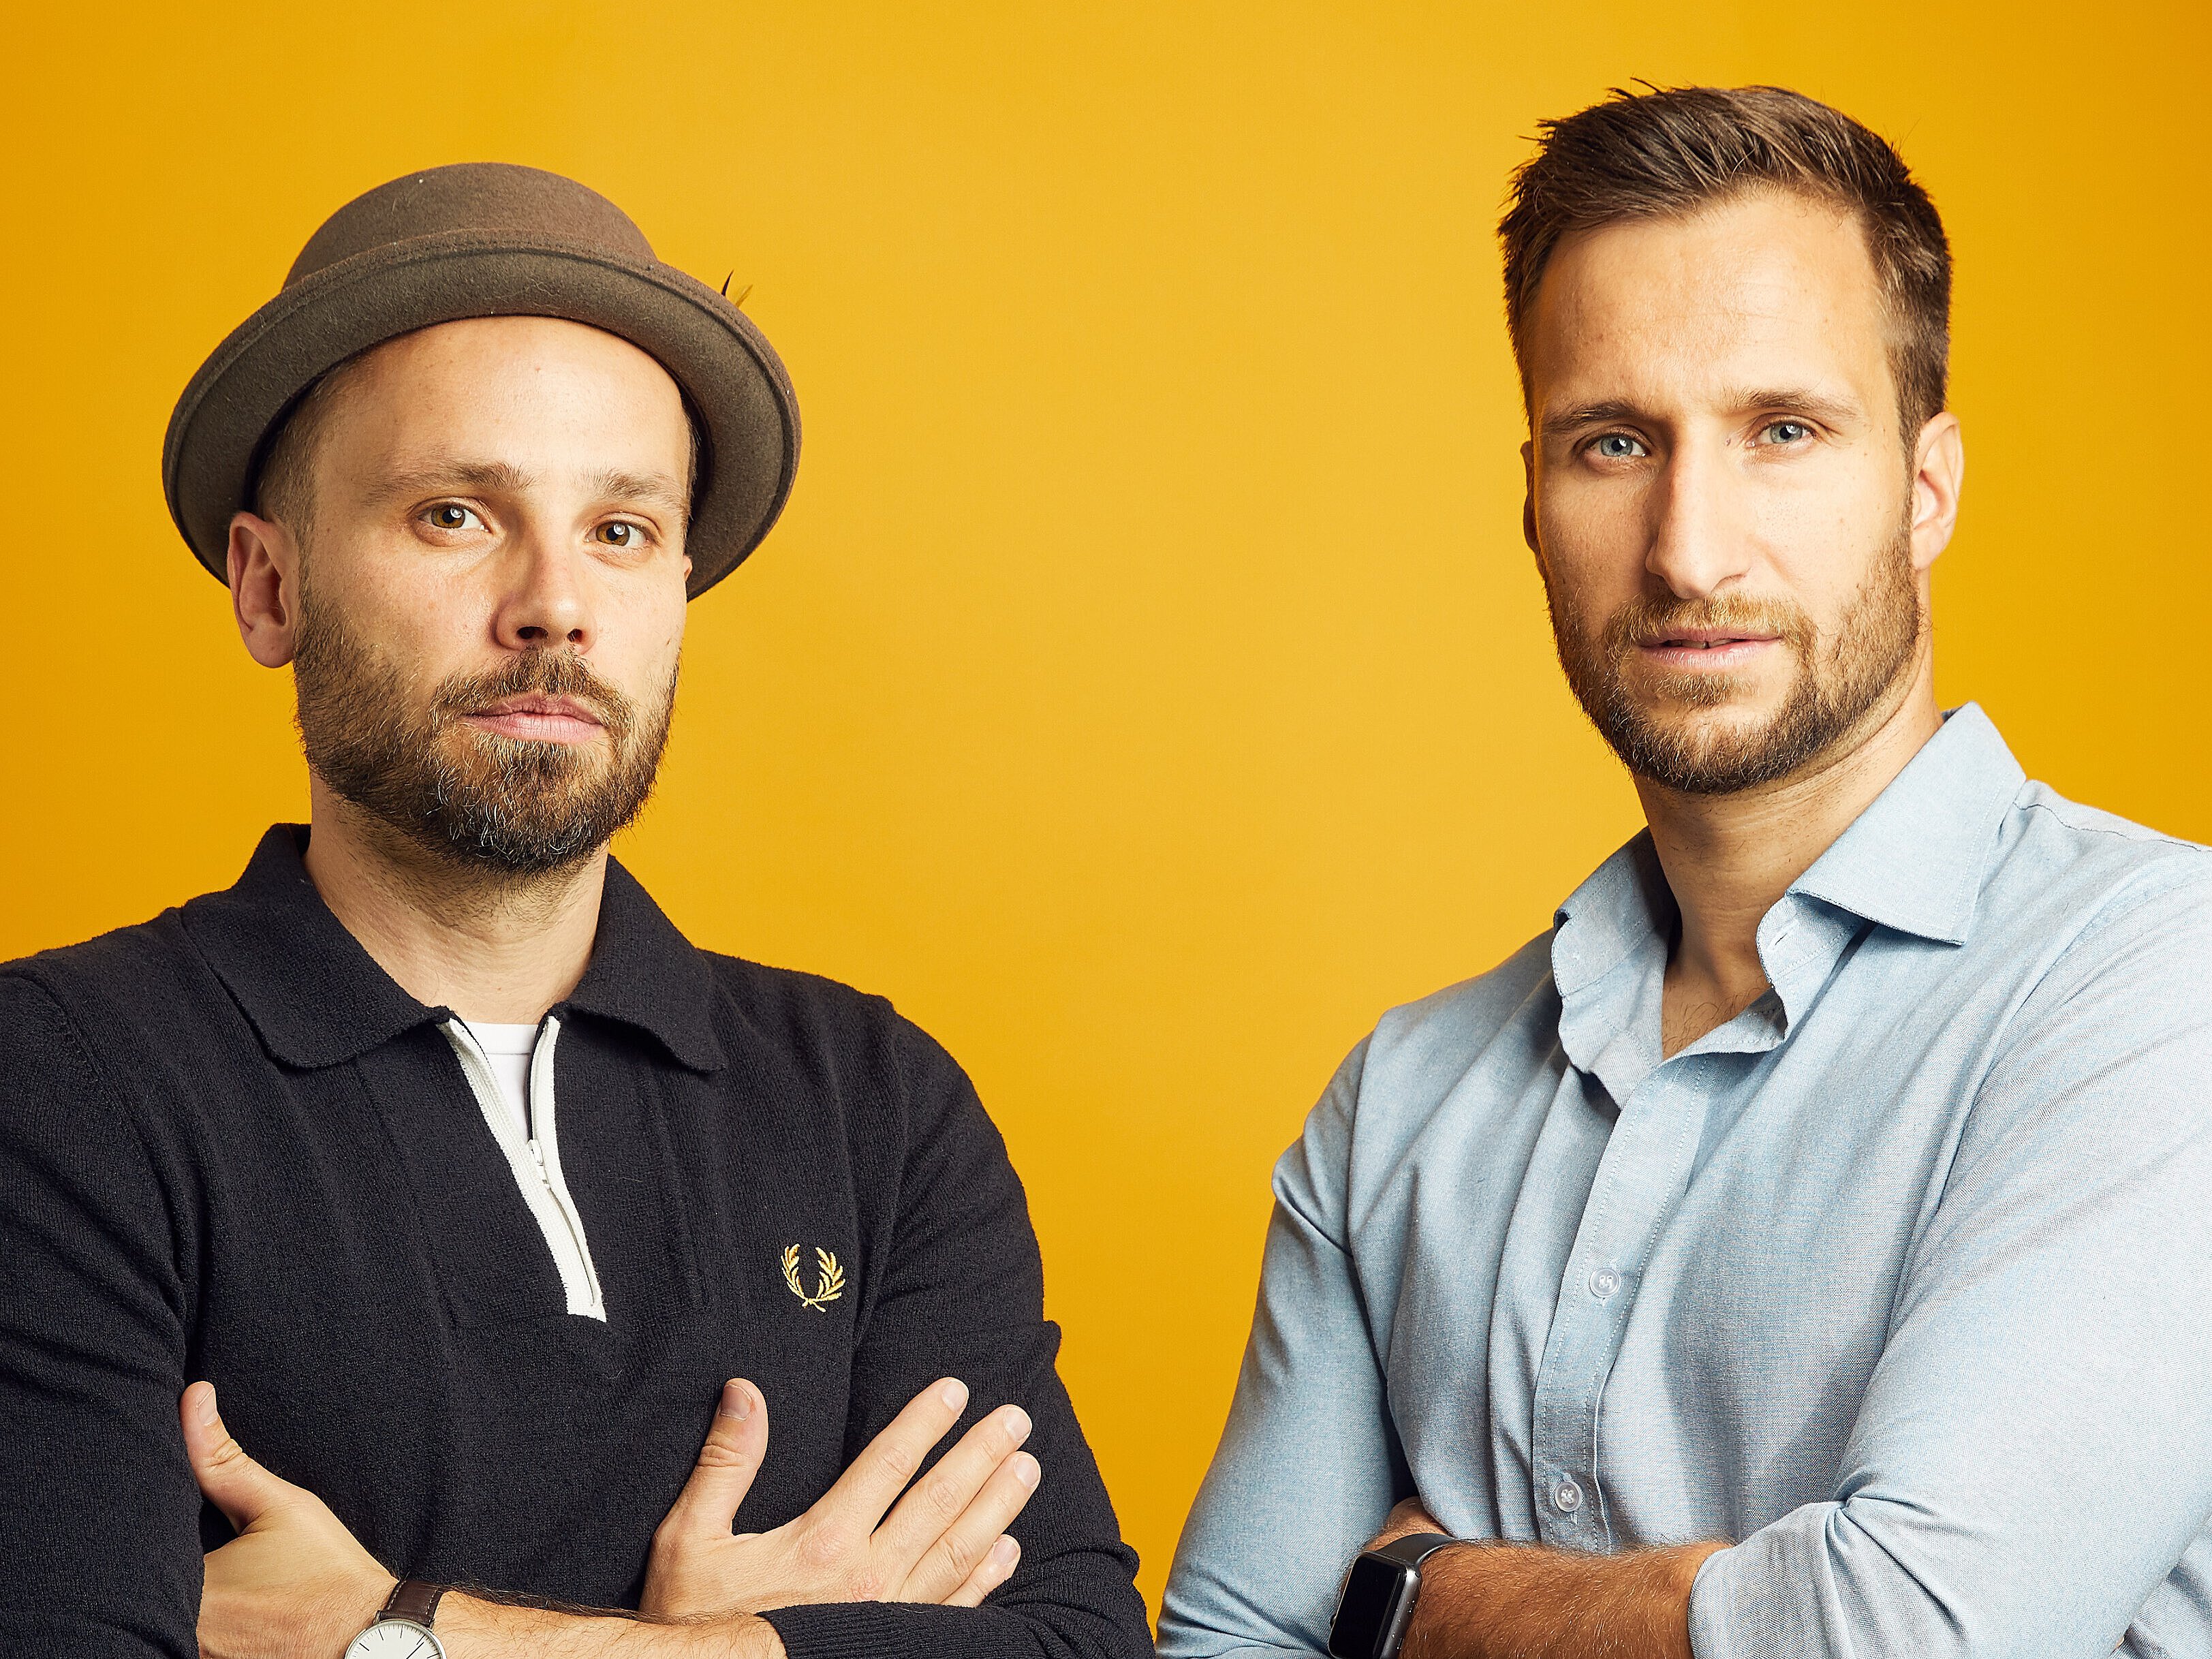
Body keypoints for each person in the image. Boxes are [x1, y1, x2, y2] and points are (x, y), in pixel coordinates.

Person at [0, 163, 1151, 1659]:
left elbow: (1078, 1645)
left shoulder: (875, 1104)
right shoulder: (59, 1079)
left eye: (621, 529)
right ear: (270, 588)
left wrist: (402, 1635)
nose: (555, 603)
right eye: (454, 514)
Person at [1157, 84, 2212, 1659]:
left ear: (1926, 487)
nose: (1687, 550)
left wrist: (1420, 1598)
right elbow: (1227, 1643)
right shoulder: (1401, 1104)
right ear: (1531, 503)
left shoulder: (2159, 982)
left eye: (1782, 432)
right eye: (1612, 443)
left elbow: (1909, 1638)